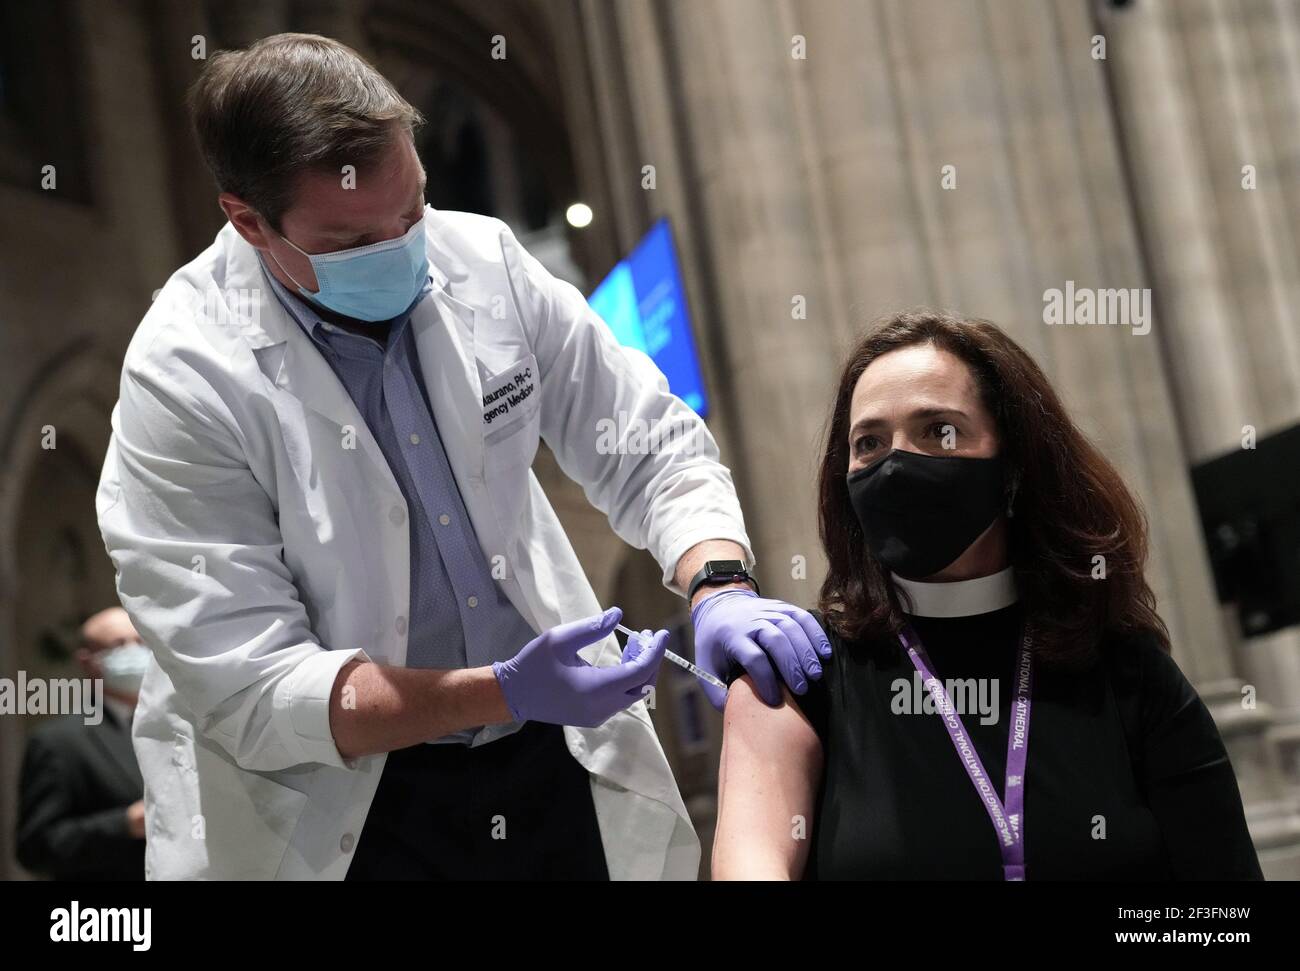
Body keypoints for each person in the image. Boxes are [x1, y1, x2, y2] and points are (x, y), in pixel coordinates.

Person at [96, 32, 828, 881]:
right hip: (343, 804)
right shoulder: (185, 374)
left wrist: (716, 585)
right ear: (250, 221)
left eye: (411, 213)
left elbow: (645, 438)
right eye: (351, 242)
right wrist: (504, 688)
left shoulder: (481, 261)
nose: (403, 251)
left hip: (545, 760)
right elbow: (258, 688)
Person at [712, 310, 1263, 880]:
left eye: (938, 431)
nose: (897, 464)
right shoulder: (797, 673)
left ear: (1014, 468)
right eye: (870, 442)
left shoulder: (1126, 672)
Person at [16, 608, 149, 880]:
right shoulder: (59, 742)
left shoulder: (184, 726)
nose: (134, 651)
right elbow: (35, 848)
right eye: (118, 644)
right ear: (88, 661)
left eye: (140, 641)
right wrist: (124, 824)